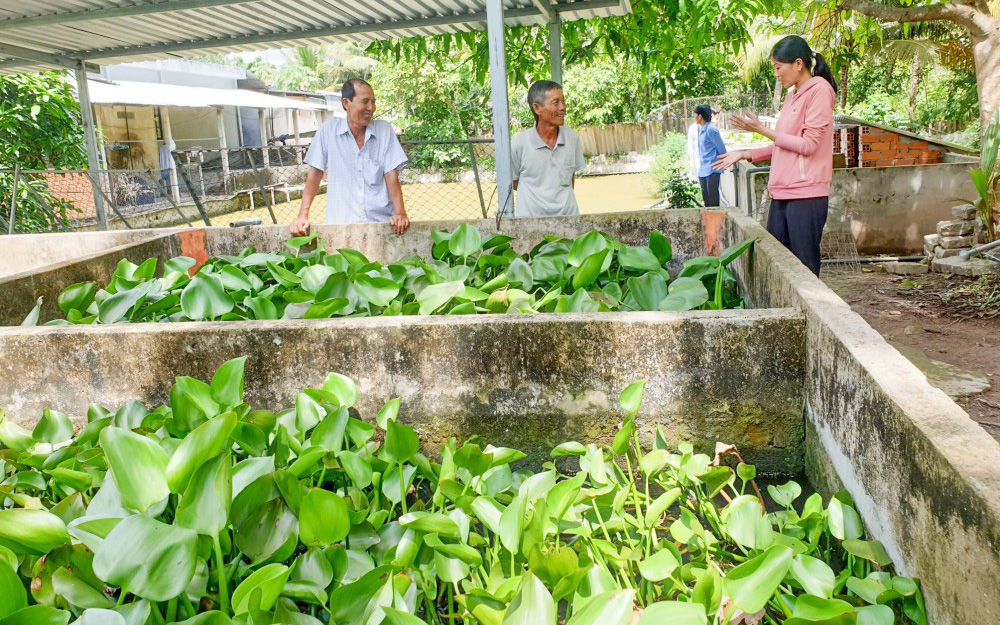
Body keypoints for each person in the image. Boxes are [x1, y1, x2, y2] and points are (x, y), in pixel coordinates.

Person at [714, 35, 837, 276]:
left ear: (798, 64)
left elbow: (809, 145)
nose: (776, 74)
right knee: (780, 263)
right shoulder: (793, 95)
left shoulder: (819, 91)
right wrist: (745, 153)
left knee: (804, 266)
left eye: (778, 67)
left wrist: (761, 129)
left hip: (806, 193)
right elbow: (784, 143)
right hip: (782, 191)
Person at [290, 78, 410, 236]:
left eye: (373, 102)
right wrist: (302, 216)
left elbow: (391, 175)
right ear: (346, 103)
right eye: (365, 101)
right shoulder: (328, 131)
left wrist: (400, 212)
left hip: (381, 225)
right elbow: (315, 174)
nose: (371, 108)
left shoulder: (384, 130)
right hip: (341, 227)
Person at [510, 80, 586, 218]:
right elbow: (514, 183)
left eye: (563, 101)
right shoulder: (518, 144)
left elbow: (570, 178)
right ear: (537, 108)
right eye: (556, 103)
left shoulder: (571, 138)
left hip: (569, 221)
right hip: (530, 224)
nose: (563, 107)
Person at [695, 105, 726, 206]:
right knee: (707, 202)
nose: (694, 117)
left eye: (695, 115)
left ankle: (716, 221)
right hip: (703, 169)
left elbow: (721, 149)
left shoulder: (711, 129)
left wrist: (722, 164)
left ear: (700, 116)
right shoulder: (701, 129)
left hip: (712, 169)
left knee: (713, 201)